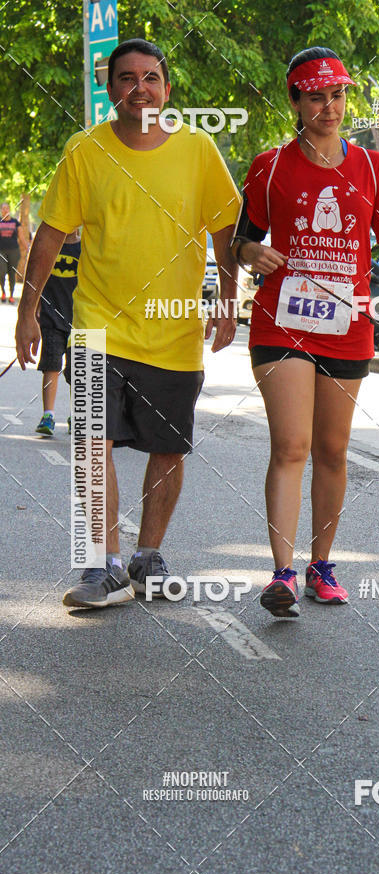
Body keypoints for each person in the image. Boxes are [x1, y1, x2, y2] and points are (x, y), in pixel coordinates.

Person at [16, 38, 240, 609]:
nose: (139, 88)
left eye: (150, 78)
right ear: (109, 87)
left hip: (174, 330)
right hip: (97, 325)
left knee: (168, 451)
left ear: (167, 88)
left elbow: (225, 232)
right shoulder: (84, 150)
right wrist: (27, 310)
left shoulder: (198, 149)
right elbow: (49, 234)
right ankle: (104, 564)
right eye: (126, 78)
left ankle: (147, 556)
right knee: (93, 443)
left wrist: (229, 298)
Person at [231, 47, 379, 618]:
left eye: (339, 94)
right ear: (295, 101)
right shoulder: (269, 165)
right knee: (292, 445)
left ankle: (321, 565)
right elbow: (239, 240)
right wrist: (253, 252)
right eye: (317, 96)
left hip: (347, 325)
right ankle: (281, 574)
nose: (329, 106)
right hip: (283, 321)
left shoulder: (373, 168)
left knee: (332, 449)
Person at [35, 230, 80, 436]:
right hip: (51, 317)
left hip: (80, 319)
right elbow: (36, 279)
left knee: (78, 370)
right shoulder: (50, 246)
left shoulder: (86, 250)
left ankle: (77, 415)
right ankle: (48, 415)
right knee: (51, 366)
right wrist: (33, 309)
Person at [0, 202, 25, 303]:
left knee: (12, 273)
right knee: (1, 271)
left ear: (9, 210)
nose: (5, 210)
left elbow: (21, 237)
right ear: (1, 210)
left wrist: (27, 247)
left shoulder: (15, 222)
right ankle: (3, 292)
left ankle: (11, 295)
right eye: (3, 208)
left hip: (14, 251)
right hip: (1, 251)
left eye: (7, 208)